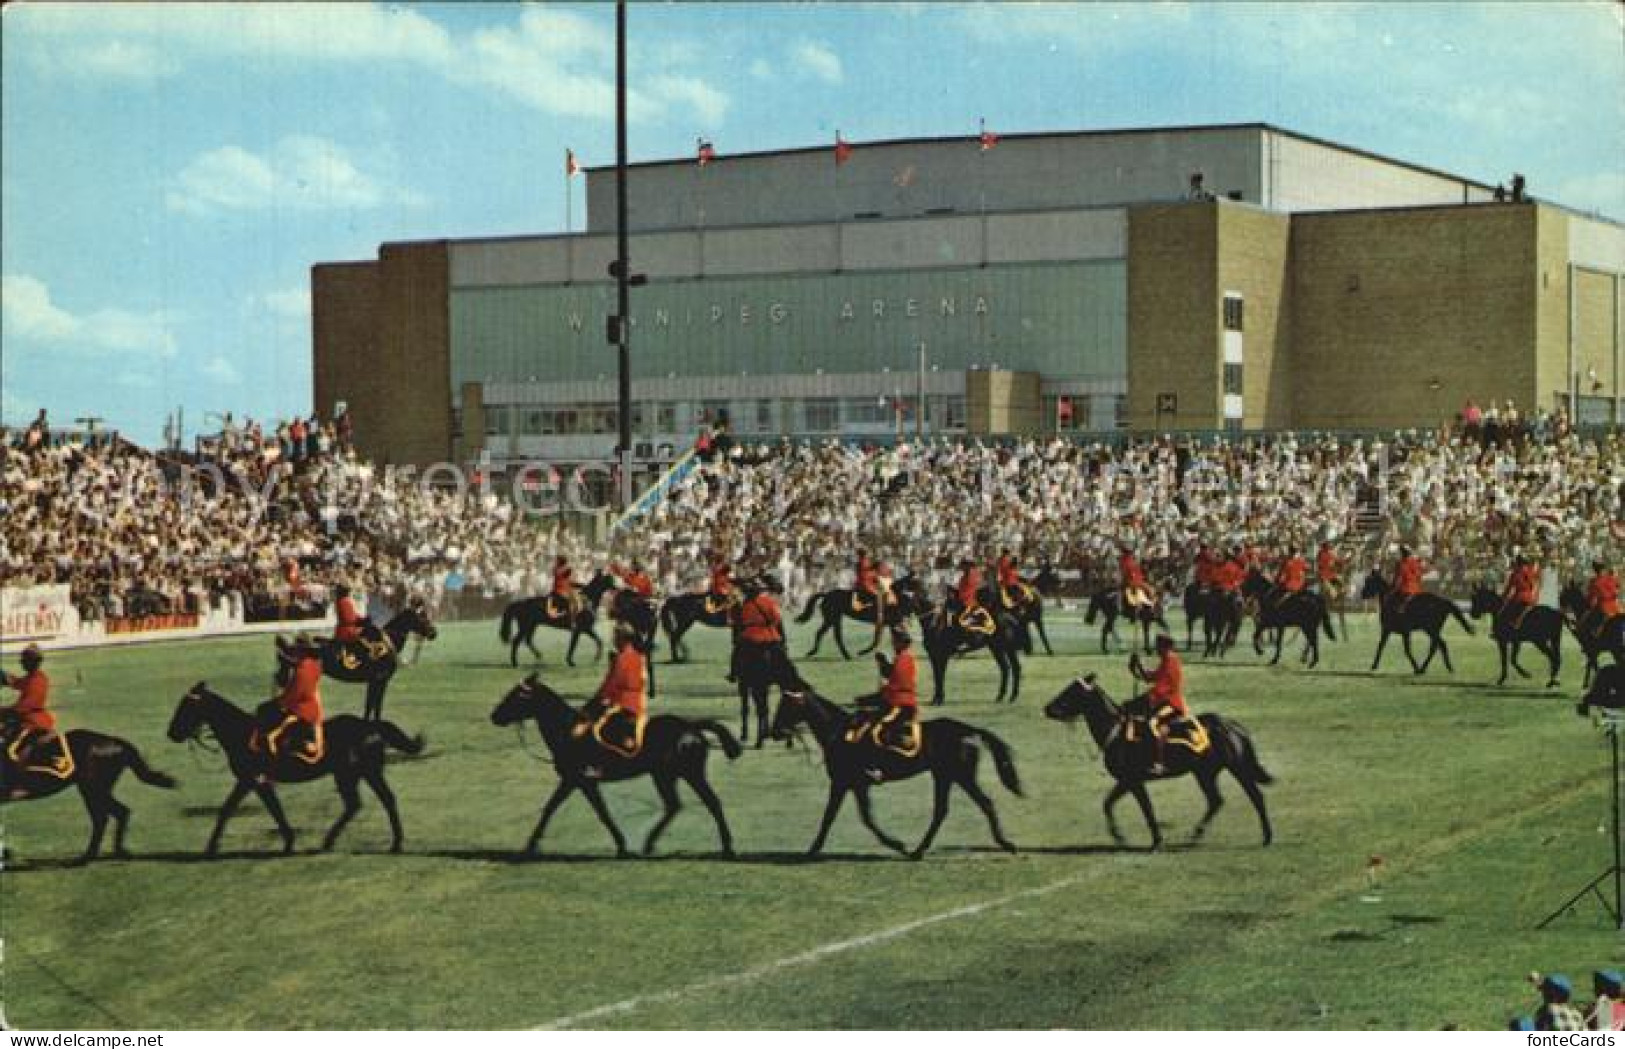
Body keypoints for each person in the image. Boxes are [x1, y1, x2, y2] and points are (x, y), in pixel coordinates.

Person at [580, 624, 649, 768]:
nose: (613, 640)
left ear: (622, 638)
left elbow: (615, 683)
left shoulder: (624, 657)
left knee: (597, 728)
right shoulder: (635, 655)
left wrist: (602, 700)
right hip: (631, 700)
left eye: (615, 637)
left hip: (625, 703)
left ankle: (600, 764)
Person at [1129, 634, 1197, 775]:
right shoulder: (1165, 660)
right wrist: (1137, 666)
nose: (1156, 649)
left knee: (1153, 723)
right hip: (1163, 701)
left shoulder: (1172, 661)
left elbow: (1163, 687)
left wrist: (1147, 698)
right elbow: (1151, 677)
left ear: (1165, 647)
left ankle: (1159, 762)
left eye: (1158, 646)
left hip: (1173, 704)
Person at [1, 645, 71, 778]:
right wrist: (4, 677)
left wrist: (2, 711)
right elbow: (17, 682)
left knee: (10, 750)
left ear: (31, 662)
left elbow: (24, 707)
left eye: (23, 660)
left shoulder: (38, 680)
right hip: (24, 720)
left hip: (33, 723)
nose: (21, 663)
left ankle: (17, 777)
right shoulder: (32, 677)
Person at [850, 628, 920, 760]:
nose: (893, 643)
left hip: (899, 702)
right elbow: (891, 674)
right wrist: (883, 663)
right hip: (895, 698)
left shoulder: (904, 659)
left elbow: (898, 683)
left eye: (895, 641)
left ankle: (880, 758)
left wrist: (876, 696)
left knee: (876, 729)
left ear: (901, 643)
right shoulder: (901, 657)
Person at [265, 636, 324, 764]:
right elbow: (294, 662)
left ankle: (273, 758)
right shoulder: (314, 665)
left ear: (301, 652)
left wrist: (280, 703)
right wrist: (283, 655)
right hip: (312, 705)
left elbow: (292, 696)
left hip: (302, 710)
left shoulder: (301, 672)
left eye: (296, 650)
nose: (294, 652)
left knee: (267, 712)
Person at [1499, 554, 1540, 631]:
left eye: (1516, 563)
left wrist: (1503, 596)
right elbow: (1532, 585)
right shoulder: (1524, 572)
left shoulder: (1518, 573)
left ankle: (1514, 624)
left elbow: (1509, 587)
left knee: (1505, 611)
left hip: (1522, 597)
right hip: (1523, 596)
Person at [1583, 560, 1621, 641]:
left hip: (1610, 604)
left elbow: (1616, 587)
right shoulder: (1598, 580)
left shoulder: (1602, 579)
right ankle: (1596, 633)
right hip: (1606, 605)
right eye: (1602, 569)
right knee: (1604, 617)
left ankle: (1594, 632)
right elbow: (1614, 589)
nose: (1603, 571)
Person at [1119, 545, 1154, 611]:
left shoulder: (1130, 560)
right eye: (1129, 552)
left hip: (1137, 580)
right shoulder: (1126, 561)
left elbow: (1137, 570)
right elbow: (1126, 572)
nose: (1130, 554)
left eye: (1130, 552)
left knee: (1149, 589)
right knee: (1150, 589)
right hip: (1132, 581)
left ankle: (1149, 605)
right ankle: (1148, 605)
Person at [1391, 545, 1424, 612]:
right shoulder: (1400, 563)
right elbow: (1398, 577)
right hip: (1403, 586)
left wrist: (1408, 577)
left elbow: (1418, 574)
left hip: (1411, 587)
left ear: (1403, 553)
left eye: (1399, 553)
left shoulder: (1412, 561)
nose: (1397, 555)